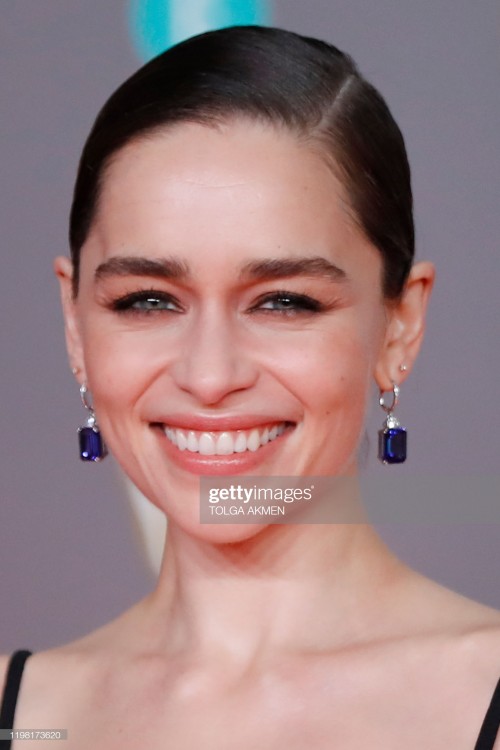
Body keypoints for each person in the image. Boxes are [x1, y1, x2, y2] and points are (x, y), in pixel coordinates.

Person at [1, 25, 499, 749]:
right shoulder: (20, 711)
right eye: (147, 300)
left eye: (284, 301)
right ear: (75, 324)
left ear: (400, 326)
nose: (209, 376)